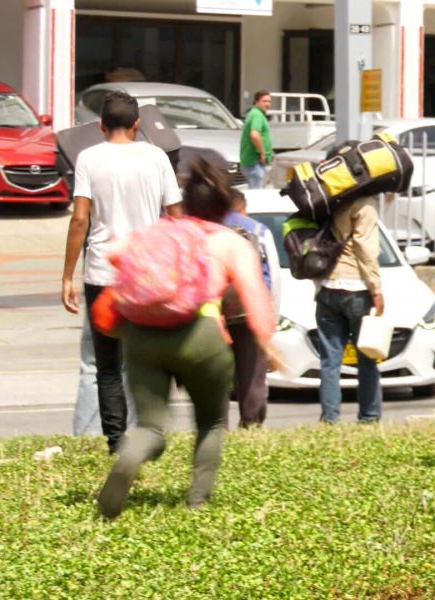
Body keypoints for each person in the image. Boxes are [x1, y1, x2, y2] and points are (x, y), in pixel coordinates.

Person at [96, 159, 280, 519]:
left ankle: (132, 456)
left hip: (143, 336)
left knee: (149, 425)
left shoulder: (160, 231)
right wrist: (267, 342)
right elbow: (255, 297)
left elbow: (114, 253)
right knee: (210, 422)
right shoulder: (229, 241)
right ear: (226, 206)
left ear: (185, 202)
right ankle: (197, 502)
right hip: (200, 335)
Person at [61, 90, 183, 453]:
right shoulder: (156, 157)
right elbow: (175, 217)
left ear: (101, 125)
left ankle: (116, 441)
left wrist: (67, 275)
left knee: (108, 365)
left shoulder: (89, 158)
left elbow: (80, 219)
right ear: (137, 124)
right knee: (147, 358)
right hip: (147, 276)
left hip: (103, 274)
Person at [315, 142, 385, 424]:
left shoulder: (329, 199)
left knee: (330, 361)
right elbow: (366, 249)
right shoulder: (364, 204)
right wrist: (376, 289)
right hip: (357, 288)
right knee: (367, 357)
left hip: (328, 287)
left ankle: (330, 419)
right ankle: (368, 417)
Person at [223, 188, 281, 428]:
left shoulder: (209, 229)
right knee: (253, 373)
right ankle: (251, 422)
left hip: (217, 311)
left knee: (217, 372)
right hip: (251, 309)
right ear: (243, 207)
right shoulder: (258, 230)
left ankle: (217, 427)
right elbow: (274, 276)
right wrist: (272, 315)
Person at [240, 90, 273, 189]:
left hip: (255, 162)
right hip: (255, 162)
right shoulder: (257, 114)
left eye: (269, 101)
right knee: (256, 194)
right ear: (256, 102)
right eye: (264, 101)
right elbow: (254, 135)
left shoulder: (256, 114)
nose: (267, 104)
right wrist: (262, 153)